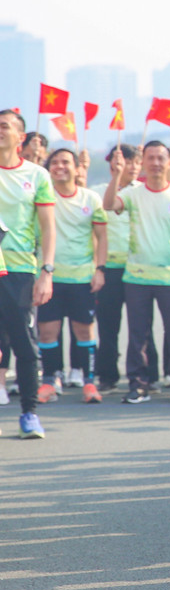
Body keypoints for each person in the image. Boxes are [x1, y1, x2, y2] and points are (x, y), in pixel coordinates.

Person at [102, 141, 170, 404]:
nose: (155, 162)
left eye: (160, 158)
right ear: (143, 161)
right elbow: (109, 205)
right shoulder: (133, 194)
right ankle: (138, 385)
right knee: (138, 335)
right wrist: (116, 175)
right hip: (137, 276)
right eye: (151, 158)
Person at [0, 110, 56, 437]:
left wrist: (46, 271)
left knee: (25, 346)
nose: (0, 131)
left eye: (5, 127)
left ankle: (29, 414)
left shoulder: (36, 175)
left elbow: (48, 229)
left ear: (21, 137)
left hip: (20, 271)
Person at [36, 148, 107, 403]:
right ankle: (48, 382)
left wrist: (100, 269)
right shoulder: (42, 197)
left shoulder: (91, 198)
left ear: (77, 168)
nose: (60, 166)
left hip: (82, 278)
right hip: (50, 278)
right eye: (54, 163)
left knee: (84, 332)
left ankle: (89, 383)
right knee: (47, 332)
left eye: (66, 162)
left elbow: (101, 236)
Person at [94, 144, 138, 392]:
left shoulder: (143, 192)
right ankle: (107, 375)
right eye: (123, 161)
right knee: (108, 326)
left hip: (137, 268)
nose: (128, 167)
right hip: (109, 267)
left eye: (134, 162)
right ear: (112, 163)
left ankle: (145, 374)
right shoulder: (98, 192)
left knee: (140, 327)